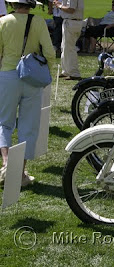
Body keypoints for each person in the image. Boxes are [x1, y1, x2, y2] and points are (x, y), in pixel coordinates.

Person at [0, 0, 55, 187]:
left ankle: (7, 164)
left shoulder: (3, 22)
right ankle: (20, 172)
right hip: (32, 77)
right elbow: (49, 52)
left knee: (4, 123)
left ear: (13, 4)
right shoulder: (38, 22)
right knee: (28, 126)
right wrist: (47, 71)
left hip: (7, 76)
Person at [55, 0, 84, 80]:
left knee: (70, 48)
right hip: (71, 21)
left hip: (71, 22)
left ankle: (74, 73)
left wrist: (59, 6)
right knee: (65, 47)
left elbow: (71, 9)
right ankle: (66, 71)